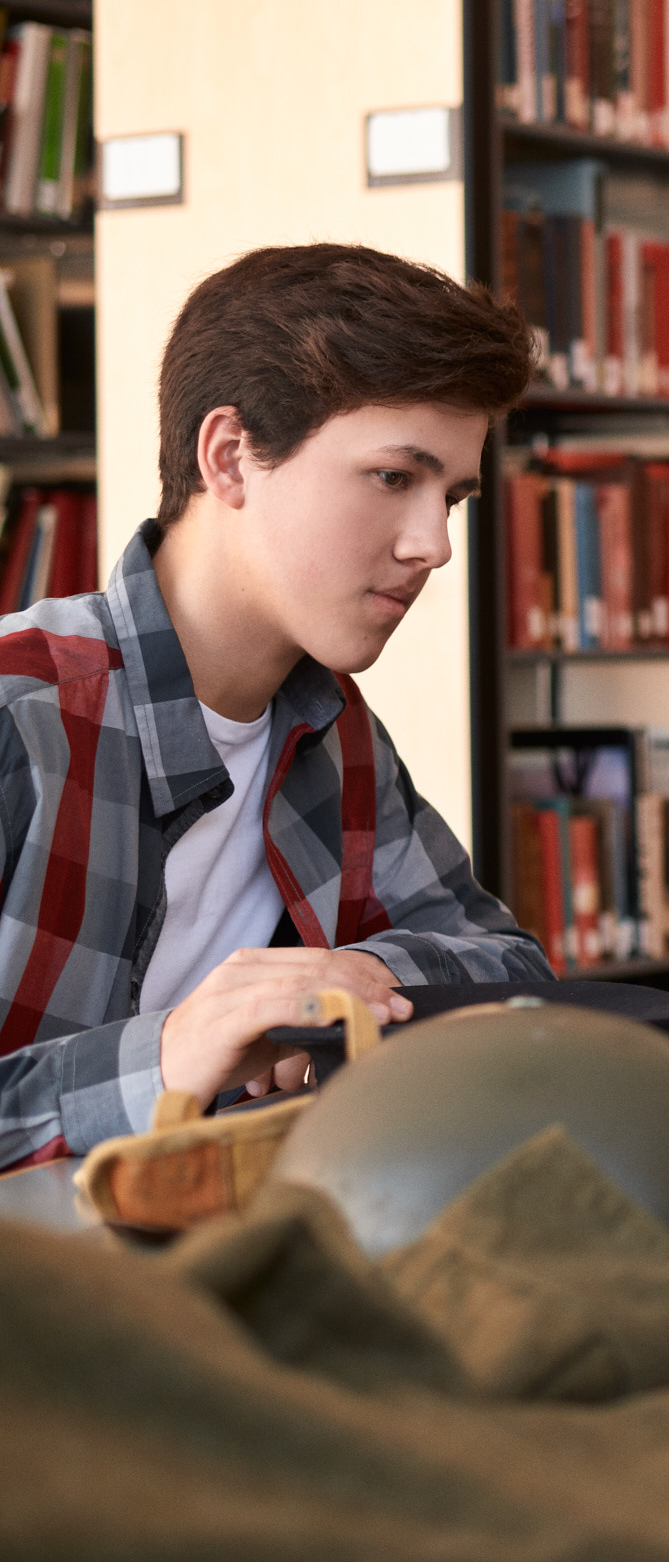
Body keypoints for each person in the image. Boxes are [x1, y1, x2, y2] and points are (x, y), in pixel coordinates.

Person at [0, 243, 553, 1170]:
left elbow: (513, 969)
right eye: (393, 478)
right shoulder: (22, 713)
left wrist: (355, 982)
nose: (433, 545)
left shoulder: (336, 729)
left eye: (451, 497)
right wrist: (166, 1057)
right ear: (230, 458)